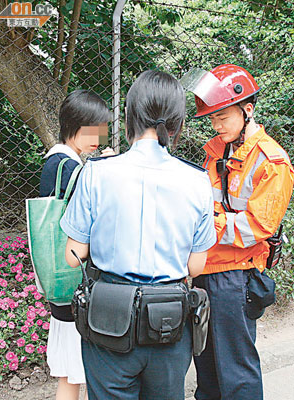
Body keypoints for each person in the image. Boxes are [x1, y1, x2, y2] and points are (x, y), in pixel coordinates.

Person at [60, 69, 217, 400]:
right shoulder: (198, 181)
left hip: (109, 322)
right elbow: (196, 267)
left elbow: (73, 255)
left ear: (129, 116)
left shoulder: (95, 173)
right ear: (177, 124)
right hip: (169, 324)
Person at [183, 64, 294, 400]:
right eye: (213, 119)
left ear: (247, 110)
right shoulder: (216, 149)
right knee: (206, 367)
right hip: (204, 269)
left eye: (224, 118)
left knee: (237, 371)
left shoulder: (272, 162)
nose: (217, 126)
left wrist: (203, 225)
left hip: (237, 276)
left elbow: (256, 227)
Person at [39, 89, 111, 400]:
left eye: (101, 129)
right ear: (73, 125)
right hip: (75, 282)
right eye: (91, 129)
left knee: (70, 374)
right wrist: (105, 170)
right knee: (84, 369)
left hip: (61, 282)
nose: (98, 136)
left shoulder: (57, 163)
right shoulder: (69, 168)